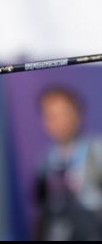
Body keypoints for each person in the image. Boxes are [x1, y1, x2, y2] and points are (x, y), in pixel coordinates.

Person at [35, 86, 102, 241]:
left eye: (64, 113)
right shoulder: (45, 162)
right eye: (51, 116)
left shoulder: (96, 151)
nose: (59, 122)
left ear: (78, 114)